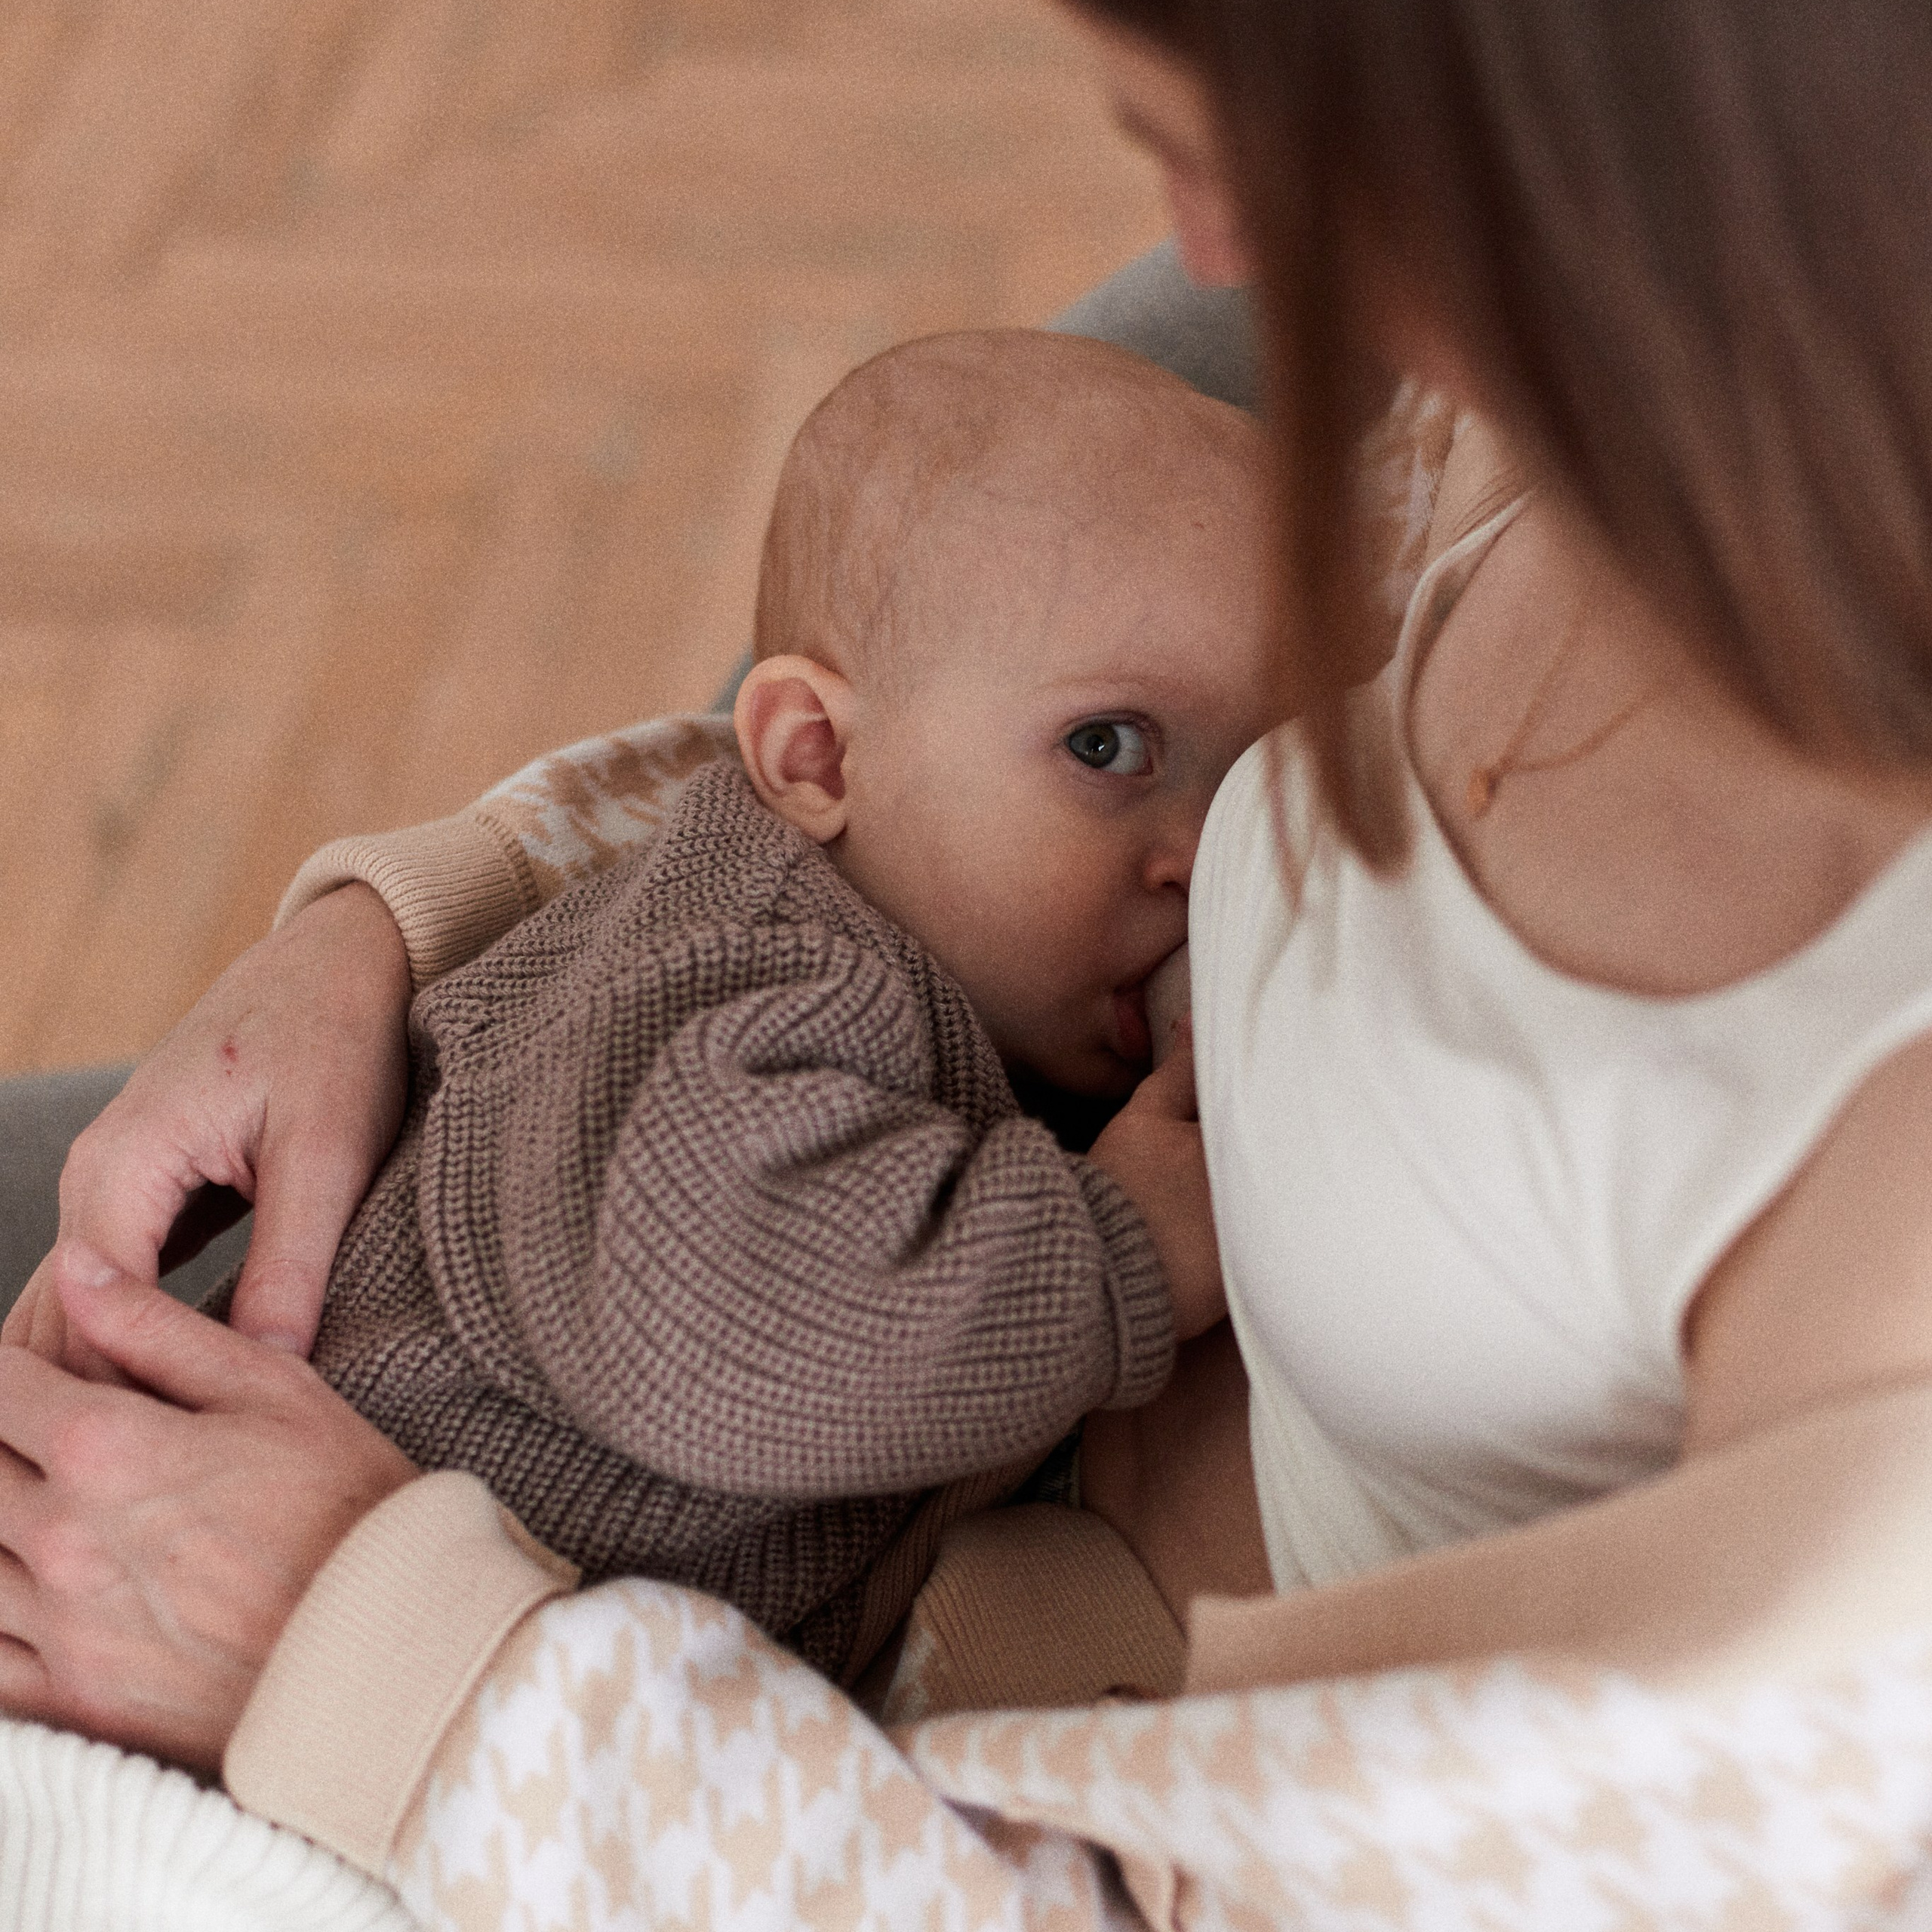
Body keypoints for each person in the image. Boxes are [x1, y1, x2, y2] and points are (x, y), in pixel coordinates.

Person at [5, 0, 1932, 1921]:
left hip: (698, 1757)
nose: (1208, 254)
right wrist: (397, 928)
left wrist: (379, 1663)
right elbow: (936, 675)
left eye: (1245, 153)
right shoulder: (1551, 390)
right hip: (489, 1418)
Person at [23, 330, 1263, 1681]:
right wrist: (1120, 1249)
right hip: (174, 1637)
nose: (1205, 853)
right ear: (815, 756)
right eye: (1106, 747)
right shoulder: (764, 974)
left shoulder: (927, 962)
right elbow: (706, 1332)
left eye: (1260, 774)